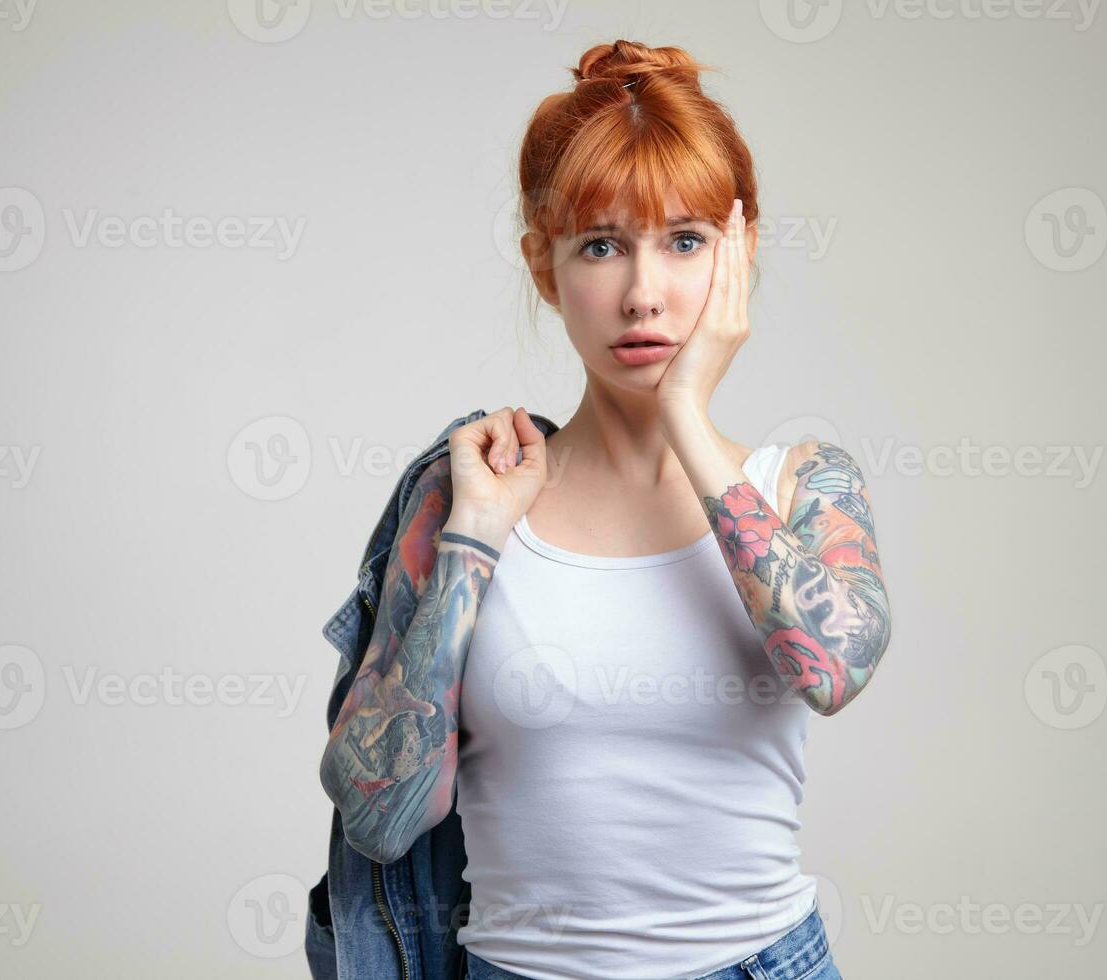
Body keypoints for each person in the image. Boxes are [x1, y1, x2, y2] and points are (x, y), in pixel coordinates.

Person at [320, 39, 891, 980]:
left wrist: (687, 420)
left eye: (686, 241)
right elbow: (378, 814)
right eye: (600, 246)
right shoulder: (469, 490)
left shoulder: (802, 483)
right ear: (544, 268)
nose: (643, 294)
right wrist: (474, 540)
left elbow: (831, 670)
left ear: (739, 255)